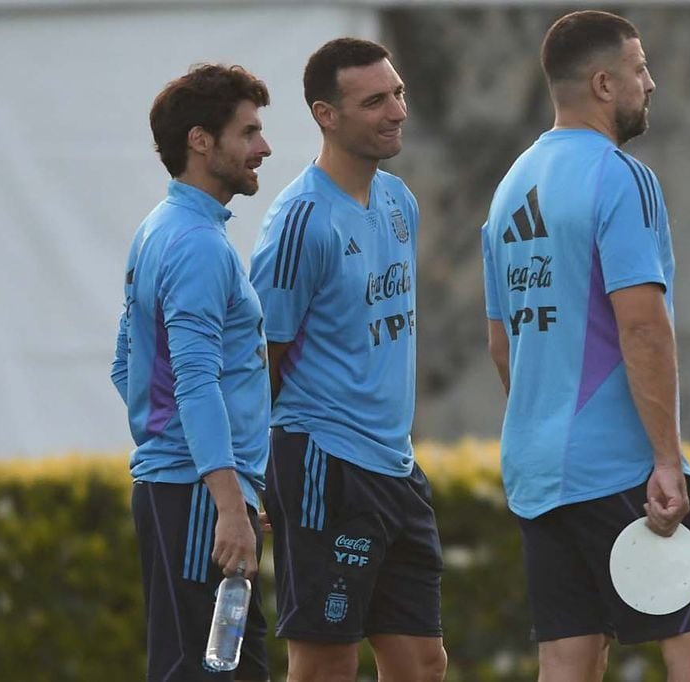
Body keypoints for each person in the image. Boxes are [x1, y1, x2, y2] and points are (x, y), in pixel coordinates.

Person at [480, 10, 690, 681]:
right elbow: (643, 327)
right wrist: (664, 459)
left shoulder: (510, 189)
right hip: (616, 464)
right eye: (639, 70)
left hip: (537, 470)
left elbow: (501, 344)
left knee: (568, 661)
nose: (649, 83)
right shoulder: (619, 176)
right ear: (603, 84)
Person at [248, 38, 445, 682]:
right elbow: (259, 359)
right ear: (326, 115)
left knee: (421, 662)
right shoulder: (302, 221)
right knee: (325, 660)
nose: (396, 111)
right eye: (374, 101)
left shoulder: (398, 201)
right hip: (326, 462)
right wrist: (255, 475)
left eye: (398, 93)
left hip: (395, 465)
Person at [110, 64, 273, 681]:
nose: (263, 147)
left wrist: (193, 470)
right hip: (196, 497)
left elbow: (127, 365)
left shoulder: (160, 229)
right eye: (249, 132)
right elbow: (193, 382)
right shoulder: (198, 245)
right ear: (201, 141)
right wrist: (225, 502)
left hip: (182, 490)